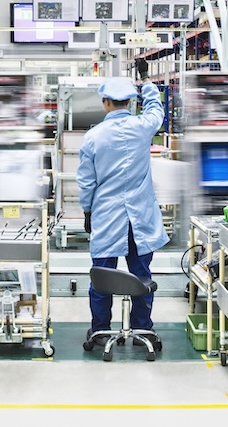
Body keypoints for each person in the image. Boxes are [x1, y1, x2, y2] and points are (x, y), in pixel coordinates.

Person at [77, 76, 167, 346]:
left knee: (101, 278)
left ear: (105, 102)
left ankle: (100, 330)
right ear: (129, 102)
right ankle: (142, 329)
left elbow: (86, 182)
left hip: (107, 218)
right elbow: (156, 110)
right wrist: (148, 85)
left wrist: (87, 211)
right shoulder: (143, 127)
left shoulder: (93, 137)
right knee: (141, 277)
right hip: (140, 219)